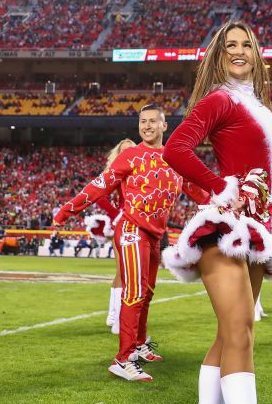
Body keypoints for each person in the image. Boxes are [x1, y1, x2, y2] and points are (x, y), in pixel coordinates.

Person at [160, 20, 272, 404]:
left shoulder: (255, 104)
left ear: (258, 55)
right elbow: (176, 148)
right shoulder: (220, 99)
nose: (239, 51)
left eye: (247, 45)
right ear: (217, 57)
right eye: (230, 46)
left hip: (258, 231)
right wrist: (220, 188)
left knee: (230, 335)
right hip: (226, 228)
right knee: (239, 332)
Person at [53, 106, 206, 380]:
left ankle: (138, 345)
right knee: (134, 292)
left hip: (155, 234)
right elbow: (100, 184)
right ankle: (122, 360)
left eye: (152, 121)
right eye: (142, 122)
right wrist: (66, 210)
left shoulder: (177, 159)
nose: (146, 126)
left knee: (146, 293)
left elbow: (197, 190)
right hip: (132, 229)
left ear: (164, 126)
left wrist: (225, 202)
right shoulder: (131, 156)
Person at [94, 139, 136, 333]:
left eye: (131, 150)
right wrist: (115, 213)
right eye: (124, 151)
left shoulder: (142, 171)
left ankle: (117, 315)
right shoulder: (115, 172)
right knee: (123, 272)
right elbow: (98, 195)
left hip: (143, 226)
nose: (128, 153)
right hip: (123, 225)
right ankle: (117, 318)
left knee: (132, 274)